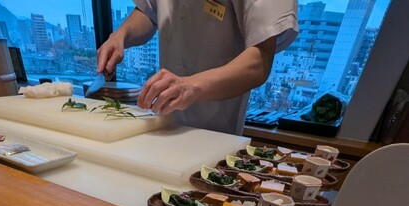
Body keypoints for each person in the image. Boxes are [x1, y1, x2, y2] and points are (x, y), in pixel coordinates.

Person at [97, 1, 298, 135]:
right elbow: (148, 10)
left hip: (217, 130)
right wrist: (120, 35)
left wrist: (189, 86)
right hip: (163, 126)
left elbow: (260, 60)